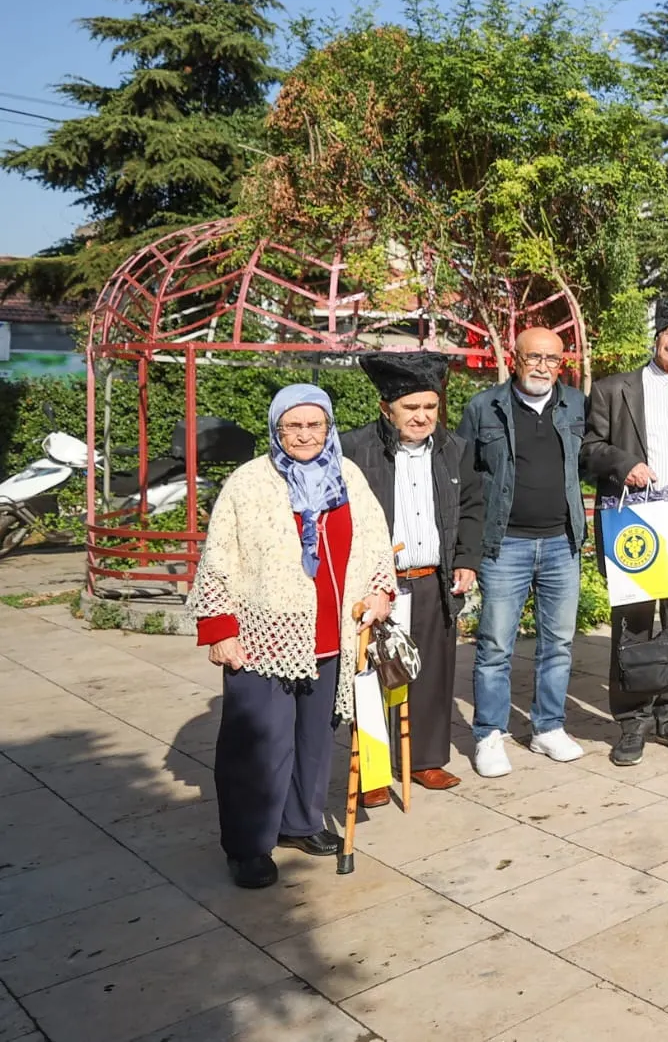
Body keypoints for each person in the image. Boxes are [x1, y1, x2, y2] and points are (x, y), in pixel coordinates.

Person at [192, 386, 396, 888]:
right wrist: (220, 629)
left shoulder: (347, 476)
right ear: (276, 429)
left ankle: (301, 824)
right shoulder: (248, 483)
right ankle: (248, 845)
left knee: (314, 740)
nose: (305, 435)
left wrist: (380, 592)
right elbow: (220, 558)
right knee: (257, 746)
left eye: (315, 425)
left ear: (328, 427)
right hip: (265, 638)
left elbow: (374, 543)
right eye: (293, 426)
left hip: (333, 635)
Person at [581, 304, 668, 766]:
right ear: (657, 338)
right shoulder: (613, 389)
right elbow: (589, 450)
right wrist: (625, 466)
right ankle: (632, 720)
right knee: (635, 620)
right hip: (639, 516)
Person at [339, 351, 484, 805]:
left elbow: (473, 508)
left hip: (431, 580)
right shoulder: (354, 449)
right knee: (373, 675)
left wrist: (466, 558)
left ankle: (424, 760)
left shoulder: (454, 450)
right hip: (376, 585)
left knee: (432, 674)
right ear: (387, 407)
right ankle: (375, 770)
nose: (422, 417)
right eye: (411, 408)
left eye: (430, 407)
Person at [457, 326, 589, 777]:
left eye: (552, 360)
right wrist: (466, 552)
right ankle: (489, 734)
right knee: (495, 645)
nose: (542, 367)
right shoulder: (484, 407)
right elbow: (467, 480)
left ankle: (547, 727)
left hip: (561, 542)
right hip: (504, 544)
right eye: (534, 357)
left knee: (559, 643)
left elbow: (589, 460)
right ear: (514, 358)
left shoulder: (574, 404)